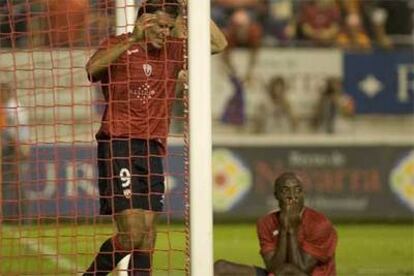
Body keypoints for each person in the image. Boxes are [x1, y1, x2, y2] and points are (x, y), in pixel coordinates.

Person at [83, 0, 227, 275]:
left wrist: (193, 9)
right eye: (160, 26)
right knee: (131, 235)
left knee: (148, 237)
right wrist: (132, 40)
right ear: (145, 22)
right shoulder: (119, 44)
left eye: (169, 27)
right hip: (119, 142)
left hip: (152, 147)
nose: (165, 32)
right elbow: (92, 69)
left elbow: (219, 45)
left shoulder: (173, 51)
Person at [214, 172, 337, 276]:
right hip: (278, 273)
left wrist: (291, 230)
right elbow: (273, 267)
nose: (292, 196)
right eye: (286, 191)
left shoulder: (319, 223)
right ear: (276, 195)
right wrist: (283, 228)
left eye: (298, 191)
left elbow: (302, 268)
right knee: (221, 267)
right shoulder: (266, 223)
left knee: (287, 270)